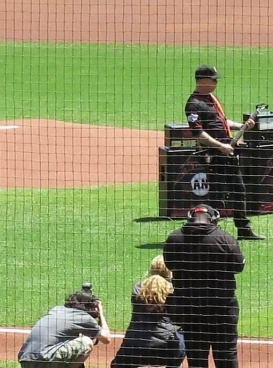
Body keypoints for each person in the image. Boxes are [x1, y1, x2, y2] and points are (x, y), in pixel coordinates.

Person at [184, 64, 264, 240]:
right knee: (217, 193)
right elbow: (199, 133)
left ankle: (243, 229)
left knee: (238, 190)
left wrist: (242, 126)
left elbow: (221, 122)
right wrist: (220, 146)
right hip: (214, 155)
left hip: (227, 153)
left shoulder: (211, 98)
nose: (216, 82)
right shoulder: (194, 104)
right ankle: (209, 229)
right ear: (203, 80)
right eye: (213, 79)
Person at [163, 204, 246, 368]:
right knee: (226, 353)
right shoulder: (225, 238)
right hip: (222, 309)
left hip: (190, 308)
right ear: (213, 219)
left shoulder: (174, 238)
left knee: (196, 356)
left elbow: (170, 265)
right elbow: (239, 266)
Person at [17, 285, 111, 368]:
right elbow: (106, 338)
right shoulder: (83, 317)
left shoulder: (56, 309)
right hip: (45, 360)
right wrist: (101, 314)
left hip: (25, 360)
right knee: (86, 342)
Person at [110, 275, 186, 367]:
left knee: (119, 359)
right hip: (163, 351)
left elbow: (137, 288)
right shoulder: (170, 300)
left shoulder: (137, 297)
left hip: (133, 348)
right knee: (182, 338)